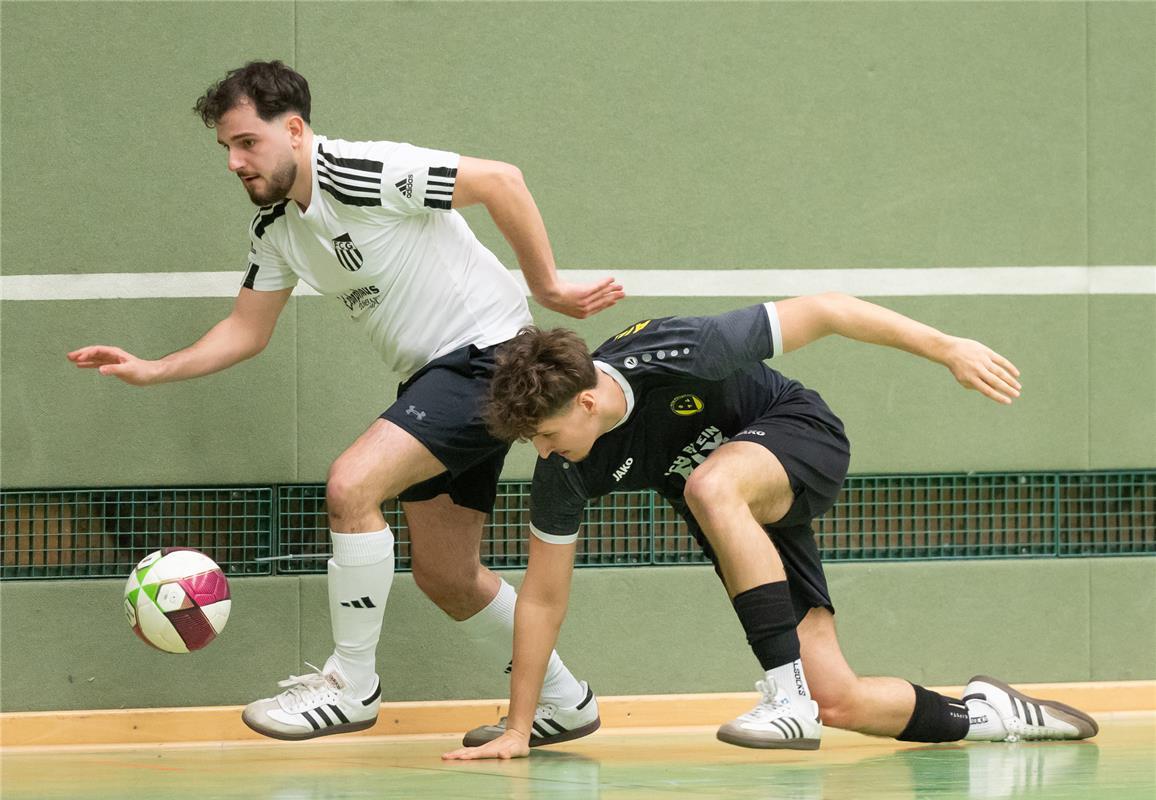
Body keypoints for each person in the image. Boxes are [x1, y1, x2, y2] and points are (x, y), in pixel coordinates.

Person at [67, 60, 622, 744]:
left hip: (487, 354)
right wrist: (154, 370)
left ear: (294, 130)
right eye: (227, 149)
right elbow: (247, 329)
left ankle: (352, 685)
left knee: (350, 486)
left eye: (247, 142)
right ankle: (565, 702)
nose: (236, 161)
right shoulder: (276, 228)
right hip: (431, 376)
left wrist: (549, 284)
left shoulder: (359, 171)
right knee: (446, 577)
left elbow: (500, 181)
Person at [442, 292, 1099, 760]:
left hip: (794, 437)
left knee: (711, 484)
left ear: (587, 401)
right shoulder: (565, 474)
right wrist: (520, 728)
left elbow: (828, 310)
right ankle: (987, 717)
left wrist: (948, 346)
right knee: (837, 698)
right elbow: (542, 599)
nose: (546, 453)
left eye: (550, 434)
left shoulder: (680, 352)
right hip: (735, 510)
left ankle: (785, 701)